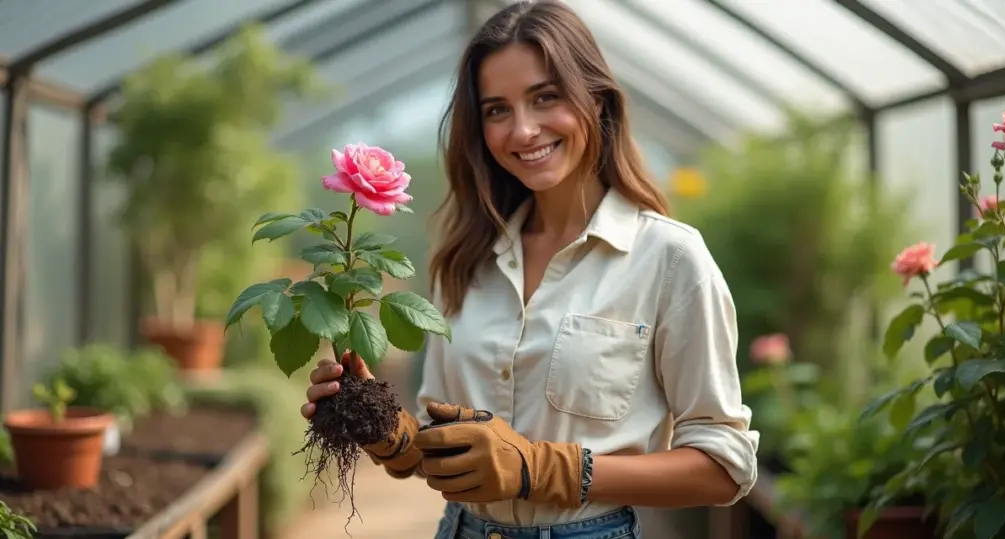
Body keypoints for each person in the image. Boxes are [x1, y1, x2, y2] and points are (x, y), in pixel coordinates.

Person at [300, 1, 759, 537]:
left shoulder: (670, 259)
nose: (522, 130)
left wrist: (543, 470)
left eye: (545, 98)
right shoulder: (465, 258)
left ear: (596, 100)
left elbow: (724, 467)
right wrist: (390, 434)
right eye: (497, 109)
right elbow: (445, 446)